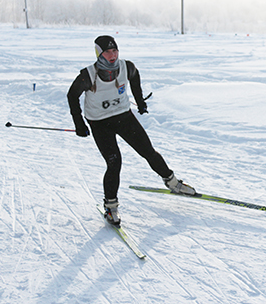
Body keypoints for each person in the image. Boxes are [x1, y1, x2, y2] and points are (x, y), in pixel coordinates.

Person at [67, 35, 195, 226]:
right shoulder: (88, 75)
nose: (113, 55)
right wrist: (79, 123)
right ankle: (110, 206)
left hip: (123, 116)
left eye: (115, 50)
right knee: (114, 162)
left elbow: (135, 79)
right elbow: (72, 95)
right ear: (99, 54)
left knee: (148, 151)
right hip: (99, 122)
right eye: (108, 51)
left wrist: (140, 101)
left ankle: (173, 182)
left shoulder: (127, 67)